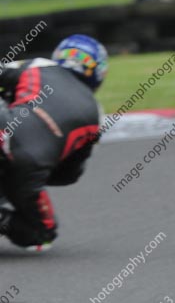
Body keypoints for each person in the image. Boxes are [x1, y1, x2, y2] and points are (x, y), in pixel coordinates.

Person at [0, 35, 107, 251]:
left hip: (5, 127)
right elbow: (69, 174)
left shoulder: (40, 65)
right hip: (29, 168)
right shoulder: (97, 115)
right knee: (43, 233)